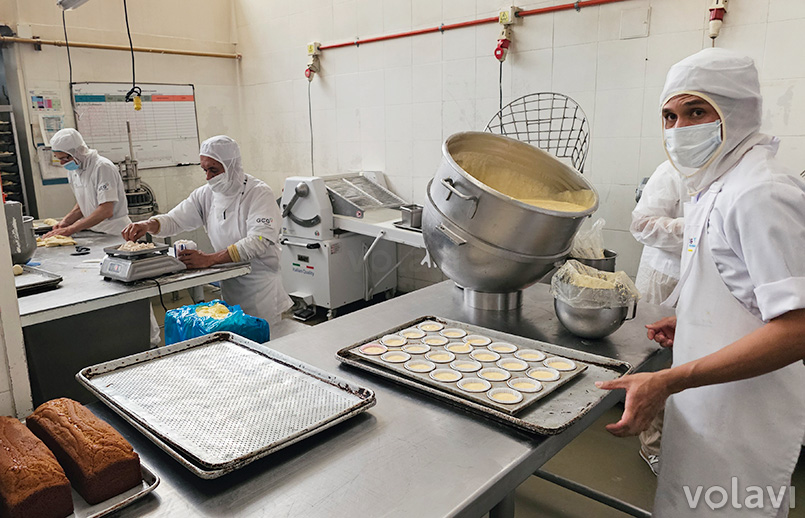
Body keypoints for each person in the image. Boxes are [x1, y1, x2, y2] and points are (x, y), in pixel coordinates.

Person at [598, 48, 805, 517]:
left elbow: (798, 327)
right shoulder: (718, 183)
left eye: (696, 112)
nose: (678, 129)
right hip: (709, 405)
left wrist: (671, 379)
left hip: (744, 417)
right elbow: (749, 293)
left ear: (737, 111)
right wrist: (691, 320)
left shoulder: (762, 192)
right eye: (669, 115)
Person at [122, 135, 292, 325]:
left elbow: (258, 241)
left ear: (231, 166)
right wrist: (148, 225)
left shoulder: (258, 193)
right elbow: (175, 219)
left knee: (265, 342)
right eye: (204, 170)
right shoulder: (206, 194)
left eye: (214, 170)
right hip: (229, 284)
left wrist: (209, 259)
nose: (208, 177)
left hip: (261, 290)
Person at [629, 162, 686, 475]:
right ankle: (652, 446)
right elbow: (642, 226)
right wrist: (696, 225)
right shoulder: (672, 171)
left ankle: (680, 443)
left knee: (687, 365)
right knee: (659, 363)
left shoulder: (728, 174)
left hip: (703, 280)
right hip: (664, 278)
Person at [45, 128, 131, 237]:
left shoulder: (102, 167)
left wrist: (72, 229)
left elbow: (106, 210)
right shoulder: (74, 170)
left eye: (65, 158)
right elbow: (84, 203)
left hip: (115, 232)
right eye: (59, 159)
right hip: (95, 231)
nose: (62, 163)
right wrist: (66, 222)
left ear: (78, 151)